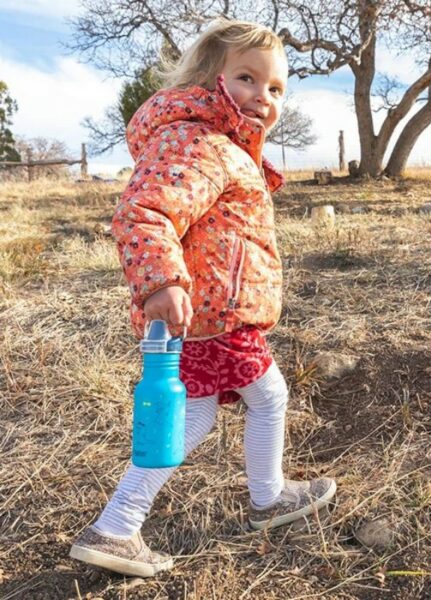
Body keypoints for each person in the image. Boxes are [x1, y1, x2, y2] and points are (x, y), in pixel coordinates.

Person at [69, 19, 337, 578]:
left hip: (205, 312)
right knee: (269, 395)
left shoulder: (221, 145)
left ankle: (116, 526)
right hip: (216, 312)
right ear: (207, 78)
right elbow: (144, 212)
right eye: (247, 78)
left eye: (276, 88)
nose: (262, 96)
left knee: (195, 412)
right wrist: (162, 280)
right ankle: (268, 499)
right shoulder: (201, 142)